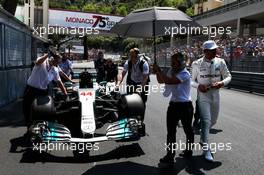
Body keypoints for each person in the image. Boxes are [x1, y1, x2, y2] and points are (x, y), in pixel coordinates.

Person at [191, 40, 232, 162]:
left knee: (213, 121)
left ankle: (203, 137)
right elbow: (190, 80)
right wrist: (198, 86)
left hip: (215, 94)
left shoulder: (221, 61)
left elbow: (229, 76)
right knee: (206, 120)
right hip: (203, 96)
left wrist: (222, 83)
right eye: (212, 50)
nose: (215, 51)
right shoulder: (196, 64)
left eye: (215, 49)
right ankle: (206, 149)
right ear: (205, 51)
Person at [153, 53, 194, 166]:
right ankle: (170, 155)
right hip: (173, 105)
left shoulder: (185, 73)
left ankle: (189, 150)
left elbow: (171, 81)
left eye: (174, 63)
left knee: (188, 130)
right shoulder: (171, 71)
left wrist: (159, 70)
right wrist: (157, 71)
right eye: (171, 62)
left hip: (185, 106)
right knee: (170, 132)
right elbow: (161, 81)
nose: (172, 65)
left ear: (181, 63)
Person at [23, 52, 68, 130]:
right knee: (27, 109)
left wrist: (65, 93)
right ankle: (29, 126)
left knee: (43, 111)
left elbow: (59, 82)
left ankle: (42, 128)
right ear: (52, 59)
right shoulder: (42, 62)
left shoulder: (55, 69)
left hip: (43, 91)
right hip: (31, 89)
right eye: (57, 61)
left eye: (59, 62)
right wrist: (47, 54)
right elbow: (38, 62)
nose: (58, 64)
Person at [117, 48, 150, 120]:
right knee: (129, 100)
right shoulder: (128, 62)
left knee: (142, 102)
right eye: (130, 56)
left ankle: (141, 120)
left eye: (132, 56)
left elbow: (145, 78)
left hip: (142, 83)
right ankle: (130, 118)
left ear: (137, 56)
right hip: (132, 81)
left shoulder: (144, 63)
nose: (131, 58)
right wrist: (118, 83)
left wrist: (139, 88)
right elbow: (122, 74)